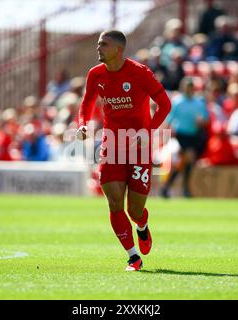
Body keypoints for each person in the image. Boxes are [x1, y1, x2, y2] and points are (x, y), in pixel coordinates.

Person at [76, 30, 171, 271]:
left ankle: (142, 226)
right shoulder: (95, 74)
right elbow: (86, 103)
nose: (98, 48)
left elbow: (164, 105)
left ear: (119, 49)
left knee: (134, 210)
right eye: (98, 44)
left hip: (139, 147)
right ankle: (133, 257)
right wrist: (83, 124)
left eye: (103, 45)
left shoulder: (140, 73)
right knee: (114, 202)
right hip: (112, 145)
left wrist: (147, 132)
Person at [160, 77, 210, 198]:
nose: (188, 90)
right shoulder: (177, 102)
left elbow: (206, 120)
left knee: (184, 162)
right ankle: (185, 188)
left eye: (190, 87)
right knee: (189, 158)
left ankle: (167, 187)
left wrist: (201, 122)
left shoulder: (199, 103)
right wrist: (165, 135)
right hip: (181, 135)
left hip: (193, 136)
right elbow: (169, 120)